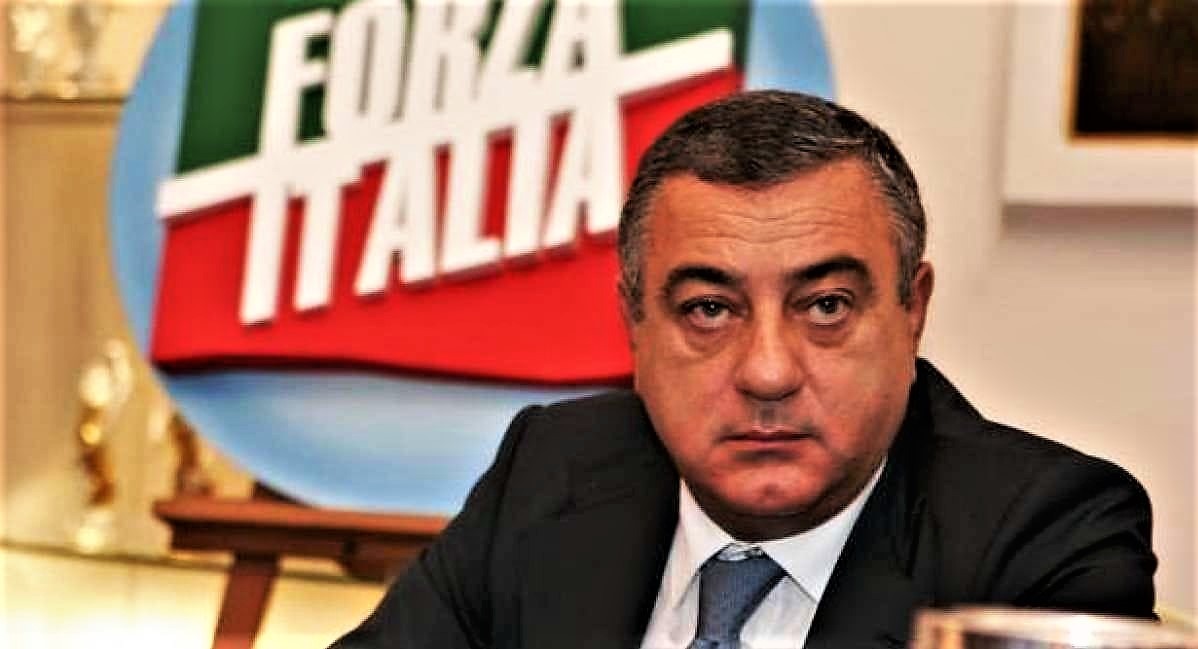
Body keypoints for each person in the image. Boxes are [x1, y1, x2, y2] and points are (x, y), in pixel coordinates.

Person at [331, 90, 1155, 649]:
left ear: (912, 310)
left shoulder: (1044, 533)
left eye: (825, 305)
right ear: (634, 323)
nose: (766, 372)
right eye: (708, 309)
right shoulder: (554, 468)